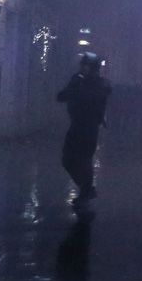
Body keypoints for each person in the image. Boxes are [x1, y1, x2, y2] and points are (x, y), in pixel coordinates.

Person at [57, 53, 112, 208]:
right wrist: (73, 88)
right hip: (76, 125)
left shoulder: (99, 84)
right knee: (67, 159)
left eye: (85, 65)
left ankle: (86, 191)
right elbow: (62, 96)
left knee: (84, 160)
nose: (82, 68)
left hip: (89, 127)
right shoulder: (79, 80)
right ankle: (86, 189)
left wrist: (78, 89)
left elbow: (97, 97)